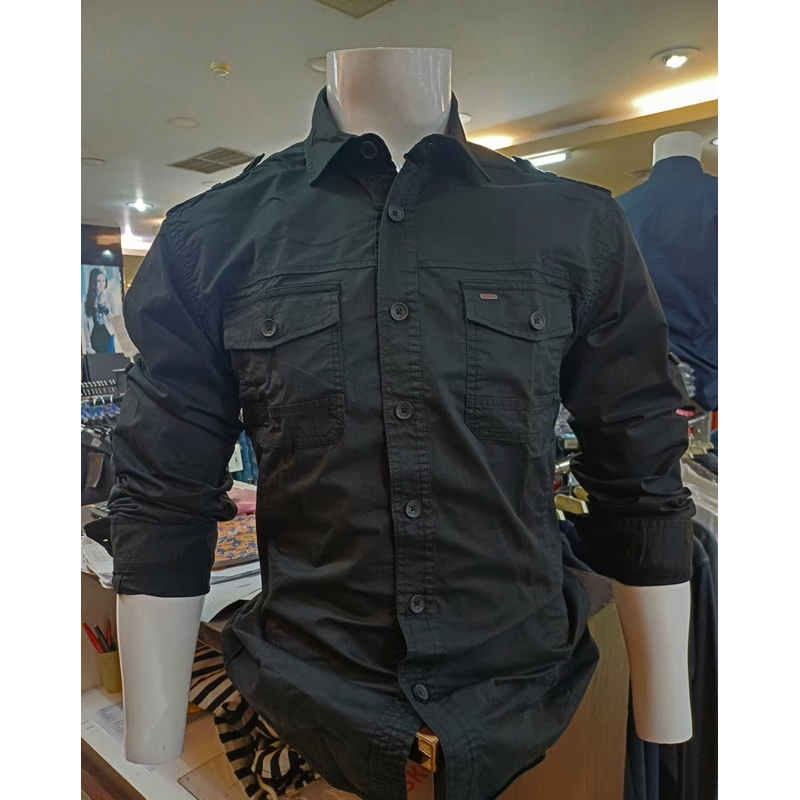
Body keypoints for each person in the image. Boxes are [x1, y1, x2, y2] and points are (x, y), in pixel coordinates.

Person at [84, 267, 120, 353]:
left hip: (108, 336)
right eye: (99, 281)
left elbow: (115, 320)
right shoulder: (86, 298)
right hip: (95, 337)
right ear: (93, 282)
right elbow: (85, 324)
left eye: (103, 281)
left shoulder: (110, 296)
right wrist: (88, 345)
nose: (102, 284)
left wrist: (106, 310)